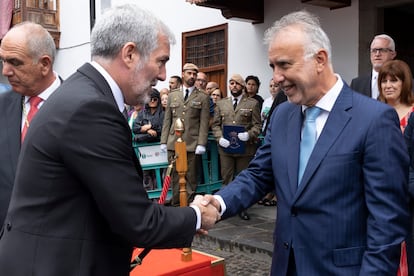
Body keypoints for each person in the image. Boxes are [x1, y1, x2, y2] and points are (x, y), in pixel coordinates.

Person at [0, 5, 219, 276]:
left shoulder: (81, 93)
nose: (163, 75)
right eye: (161, 61)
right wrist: (197, 215)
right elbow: (139, 221)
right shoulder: (91, 108)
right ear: (129, 54)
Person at [201, 10, 410, 275]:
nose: (276, 77)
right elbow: (258, 174)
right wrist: (219, 204)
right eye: (272, 67)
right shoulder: (282, 115)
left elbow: (387, 223)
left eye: (285, 65)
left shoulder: (374, 119)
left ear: (320, 59)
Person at [0, 21, 62, 227]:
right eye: (3, 61)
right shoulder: (2, 107)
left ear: (44, 64)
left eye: (14, 62)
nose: (5, 71)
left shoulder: (84, 108)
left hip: (62, 245)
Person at [211, 74, 262, 220]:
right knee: (226, 177)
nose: (234, 86)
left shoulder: (252, 103)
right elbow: (215, 124)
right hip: (226, 149)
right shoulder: (221, 103)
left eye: (237, 84)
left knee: (243, 178)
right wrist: (219, 138)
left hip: (245, 149)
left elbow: (258, 125)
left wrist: (249, 134)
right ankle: (225, 207)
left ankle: (243, 208)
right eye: (231, 83)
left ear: (242, 86)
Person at [160, 63, 210, 206]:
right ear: (183, 74)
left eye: (195, 74)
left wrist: (201, 143)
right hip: (173, 142)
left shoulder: (203, 97)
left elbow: (204, 122)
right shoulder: (173, 95)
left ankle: (187, 204)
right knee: (174, 175)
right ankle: (176, 203)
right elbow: (167, 119)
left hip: (192, 143)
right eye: (189, 73)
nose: (192, 77)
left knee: (190, 176)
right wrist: (164, 141)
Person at [257, 78, 287, 207]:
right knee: (273, 165)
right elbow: (272, 118)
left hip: (289, 138)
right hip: (277, 136)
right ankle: (270, 192)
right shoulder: (281, 96)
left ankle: (277, 194)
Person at [350, 34, 396, 99]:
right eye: (374, 50)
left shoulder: (405, 82)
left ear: (393, 54)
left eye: (382, 50)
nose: (377, 54)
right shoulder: (357, 84)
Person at [378, 59, 414, 132]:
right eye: (384, 81)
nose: (388, 86)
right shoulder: (374, 111)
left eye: (393, 81)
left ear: (404, 83)